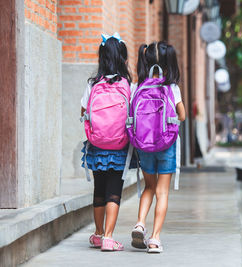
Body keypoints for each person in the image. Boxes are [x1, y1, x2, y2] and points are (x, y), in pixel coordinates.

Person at [80, 32, 134, 252]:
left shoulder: (93, 84)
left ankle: (99, 233)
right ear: (123, 58)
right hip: (119, 146)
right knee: (114, 191)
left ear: (101, 57)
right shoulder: (128, 85)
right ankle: (109, 238)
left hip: (97, 145)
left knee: (99, 190)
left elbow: (83, 111)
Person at [130, 41, 185, 253]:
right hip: (166, 145)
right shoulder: (172, 88)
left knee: (149, 187)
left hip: (144, 145)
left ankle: (140, 223)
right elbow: (182, 115)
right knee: (162, 192)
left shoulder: (138, 87)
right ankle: (154, 239)